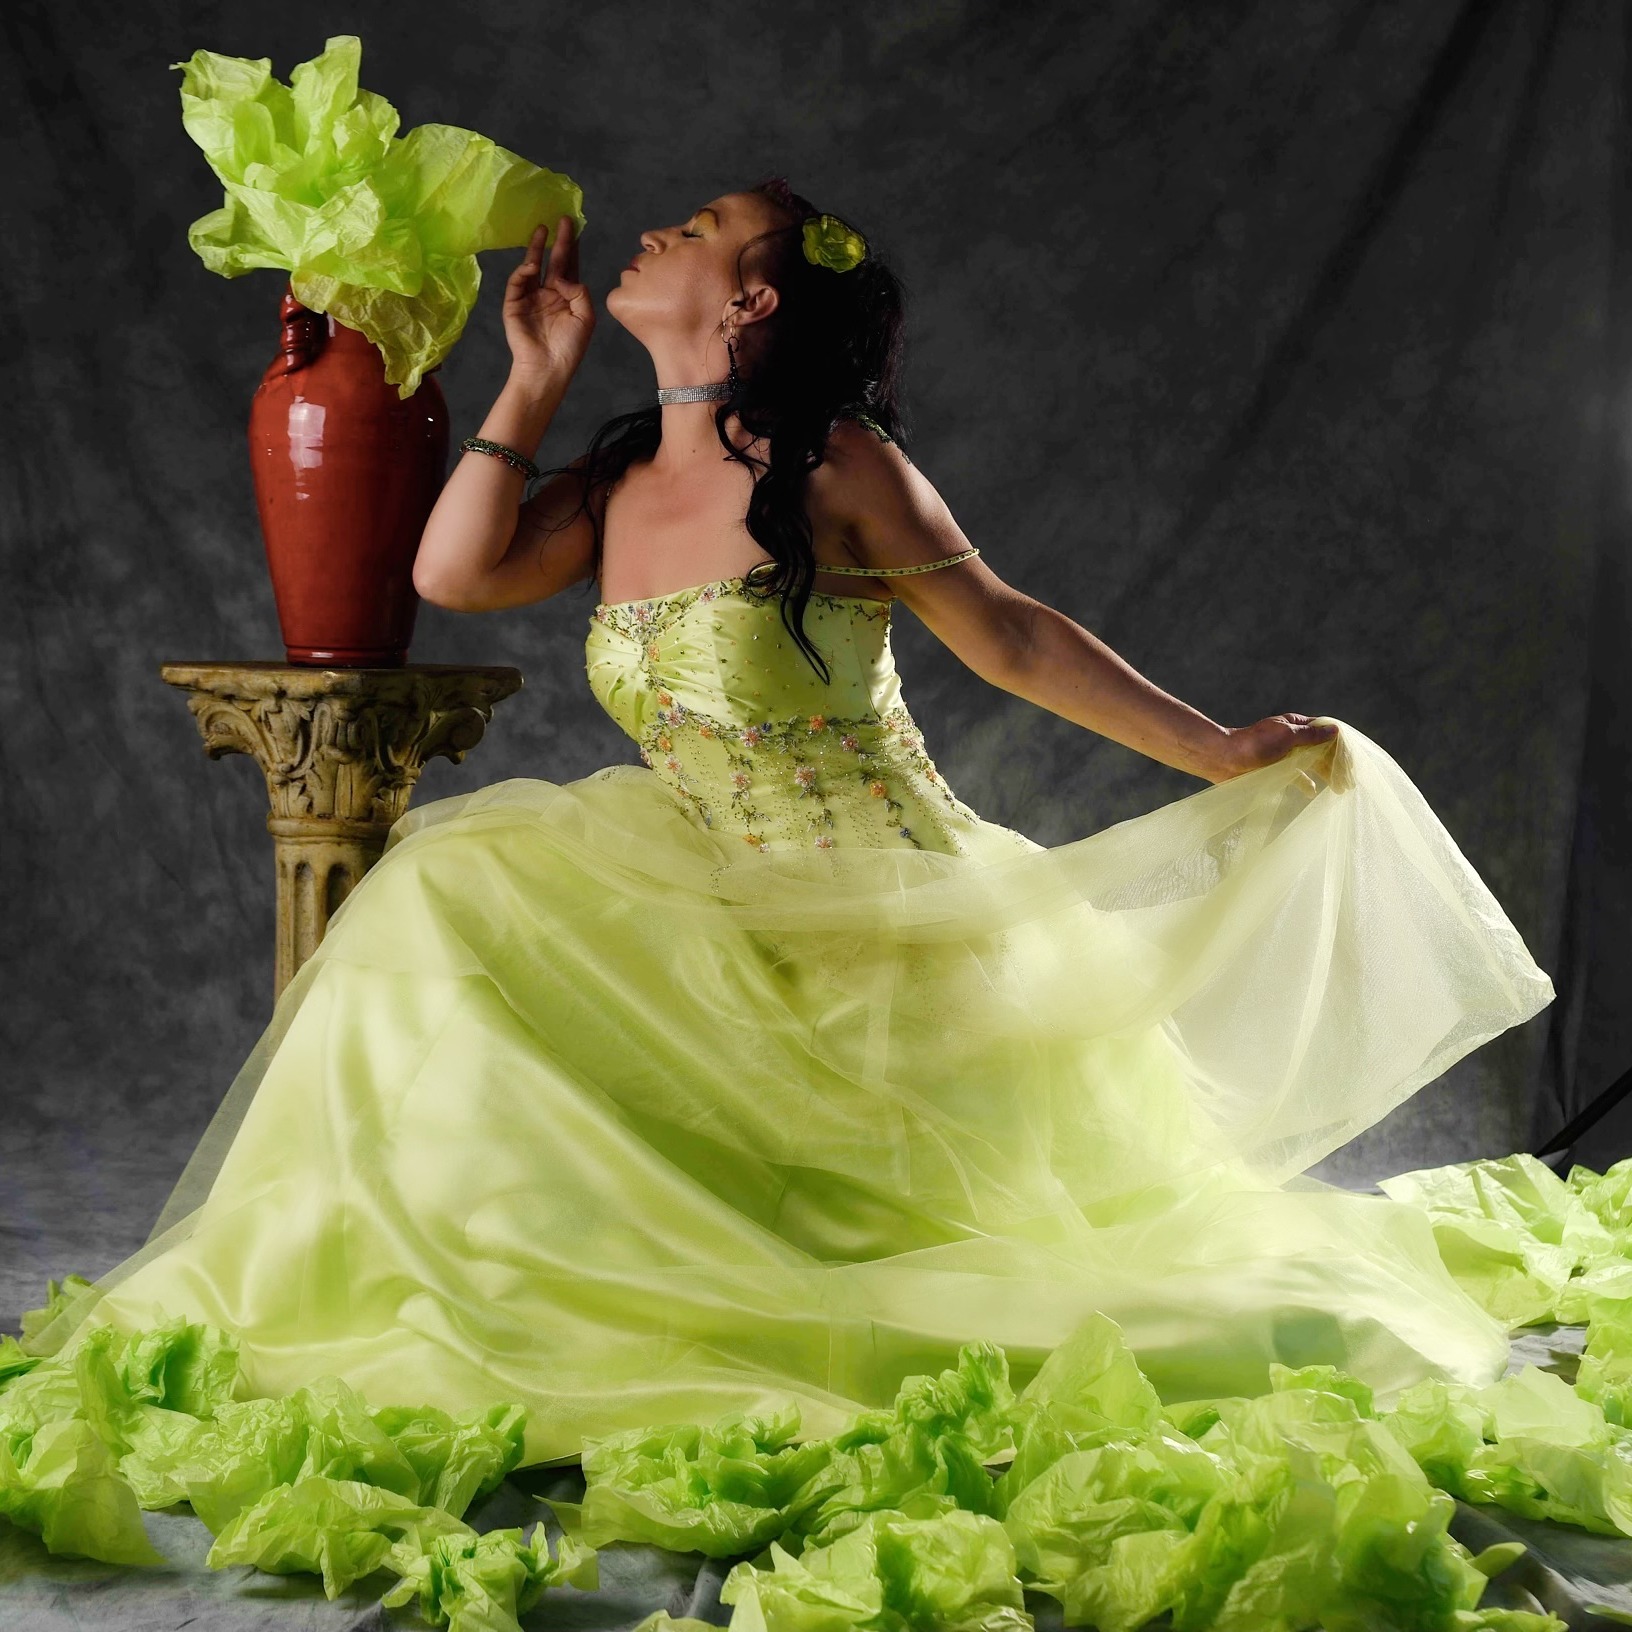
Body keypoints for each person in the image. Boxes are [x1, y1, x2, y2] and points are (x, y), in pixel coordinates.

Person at [20, 179, 1552, 1482]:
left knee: (959, 1269)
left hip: (880, 912)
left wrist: (1215, 748)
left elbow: (1012, 636)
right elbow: (452, 576)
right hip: (702, 893)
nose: (653, 232)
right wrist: (534, 377)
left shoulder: (839, 466)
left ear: (752, 300)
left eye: (697, 226)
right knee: (442, 904)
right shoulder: (617, 473)